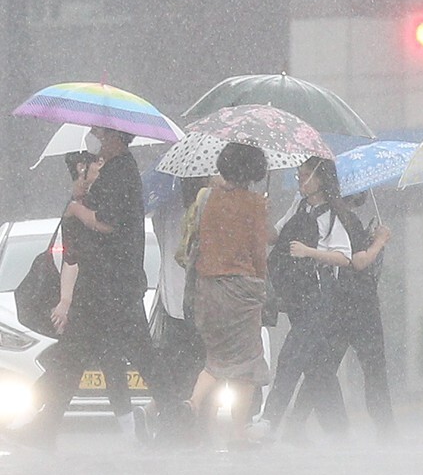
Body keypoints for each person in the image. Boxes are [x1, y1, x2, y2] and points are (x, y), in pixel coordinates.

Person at [7, 127, 174, 449]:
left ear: (114, 137)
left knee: (136, 355)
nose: (96, 137)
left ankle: (176, 416)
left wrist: (76, 209)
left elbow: (107, 222)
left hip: (112, 287)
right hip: (102, 286)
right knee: (73, 358)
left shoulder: (120, 172)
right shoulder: (116, 172)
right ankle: (44, 426)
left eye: (101, 134)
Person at [290, 191, 397, 441]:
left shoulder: (329, 218)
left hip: (336, 302)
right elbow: (358, 261)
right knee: (373, 368)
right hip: (360, 303)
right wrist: (379, 241)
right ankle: (385, 427)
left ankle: (296, 423)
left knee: (323, 367)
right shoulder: (346, 220)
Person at [182, 143, 269, 449]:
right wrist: (261, 281)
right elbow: (259, 249)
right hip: (240, 289)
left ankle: (192, 402)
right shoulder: (255, 204)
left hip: (207, 287)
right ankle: (238, 433)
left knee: (215, 359)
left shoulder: (207, 198)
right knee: (246, 364)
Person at [261, 157, 352, 442]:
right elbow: (273, 237)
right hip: (297, 295)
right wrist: (263, 216)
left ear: (320, 180)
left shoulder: (332, 217)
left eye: (305, 177)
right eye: (298, 176)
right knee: (319, 365)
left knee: (292, 355)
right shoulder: (297, 207)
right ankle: (339, 430)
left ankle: (268, 420)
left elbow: (343, 256)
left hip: (320, 295)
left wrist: (309, 252)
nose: (300, 181)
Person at [133, 174, 210, 444]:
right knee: (200, 366)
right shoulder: (204, 208)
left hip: (169, 298)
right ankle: (187, 428)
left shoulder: (165, 206)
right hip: (196, 299)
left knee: (174, 366)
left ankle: (163, 419)